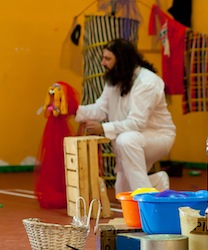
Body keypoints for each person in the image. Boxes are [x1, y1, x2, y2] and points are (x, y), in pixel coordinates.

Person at [75, 38, 176, 195]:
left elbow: (137, 123)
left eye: (108, 58)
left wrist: (103, 128)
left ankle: (145, 200)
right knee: (122, 191)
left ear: (122, 60)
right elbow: (100, 109)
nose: (103, 63)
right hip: (133, 137)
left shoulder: (147, 82)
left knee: (126, 140)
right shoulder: (115, 79)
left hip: (158, 136)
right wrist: (73, 109)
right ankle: (157, 181)